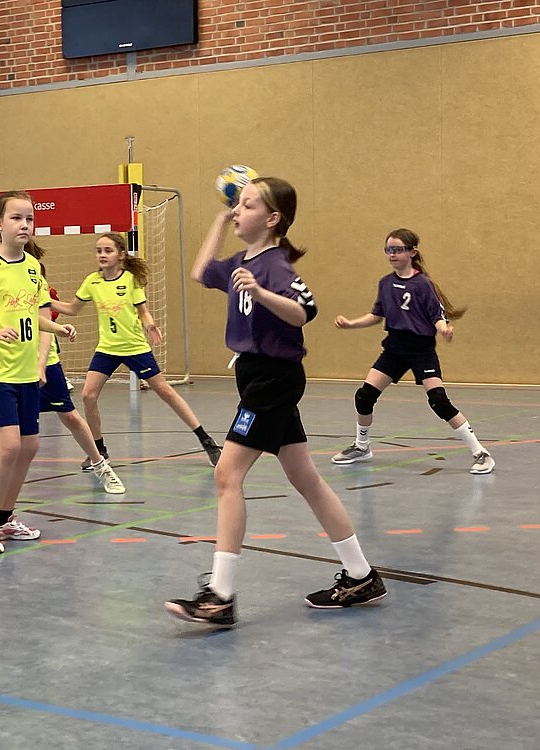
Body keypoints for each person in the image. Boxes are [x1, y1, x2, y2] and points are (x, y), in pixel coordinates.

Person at [165, 177, 387, 627]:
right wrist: (219, 220)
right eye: (238, 204)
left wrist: (261, 293)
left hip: (273, 381)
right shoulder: (241, 261)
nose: (239, 211)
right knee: (306, 478)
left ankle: (220, 595)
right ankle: (361, 575)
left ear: (272, 219)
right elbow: (200, 271)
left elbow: (304, 311)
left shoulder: (275, 266)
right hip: (255, 377)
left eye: (248, 206)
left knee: (226, 474)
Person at [0, 191, 78, 555]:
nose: (25, 225)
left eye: (30, 219)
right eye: (17, 218)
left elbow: (33, 314)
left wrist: (57, 328)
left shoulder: (32, 268)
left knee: (29, 446)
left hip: (24, 372)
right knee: (8, 446)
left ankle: (6, 518)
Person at [0, 244, 125, 505]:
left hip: (42, 362)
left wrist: (41, 364)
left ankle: (101, 465)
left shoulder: (34, 275)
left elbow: (42, 328)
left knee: (68, 416)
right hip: (8, 366)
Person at [51, 232, 222, 469]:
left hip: (135, 348)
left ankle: (207, 442)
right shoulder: (92, 281)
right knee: (88, 395)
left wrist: (150, 324)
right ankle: (99, 451)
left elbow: (143, 311)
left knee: (165, 391)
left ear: (121, 254)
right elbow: (72, 308)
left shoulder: (130, 280)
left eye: (108, 250)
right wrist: (44, 300)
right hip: (107, 348)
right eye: (99, 251)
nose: (102, 254)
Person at [331, 228, 495, 475]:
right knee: (364, 396)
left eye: (397, 250)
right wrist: (351, 324)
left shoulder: (423, 285)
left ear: (412, 252)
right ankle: (362, 447)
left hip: (421, 350)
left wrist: (444, 329)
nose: (392, 254)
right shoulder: (385, 283)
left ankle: (481, 453)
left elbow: (437, 316)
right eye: (388, 250)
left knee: (439, 402)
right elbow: (376, 315)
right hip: (395, 348)